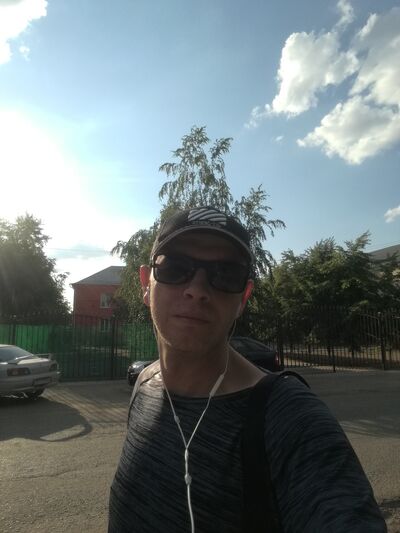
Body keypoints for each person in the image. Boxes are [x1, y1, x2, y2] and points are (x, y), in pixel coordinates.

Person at [108, 206, 386, 533]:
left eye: (225, 274)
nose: (197, 290)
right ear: (146, 283)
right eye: (175, 267)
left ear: (243, 298)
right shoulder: (144, 385)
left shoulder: (291, 418)